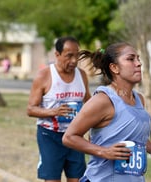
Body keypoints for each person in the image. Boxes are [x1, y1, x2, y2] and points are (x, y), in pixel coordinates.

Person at [62, 42, 151, 182]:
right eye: (131, 59)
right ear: (114, 67)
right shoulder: (103, 100)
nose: (138, 63)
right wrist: (104, 152)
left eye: (138, 59)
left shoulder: (139, 99)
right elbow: (69, 137)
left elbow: (133, 137)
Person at [27, 36, 91, 182]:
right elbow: (30, 109)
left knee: (77, 179)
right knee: (52, 180)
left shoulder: (81, 75)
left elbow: (88, 102)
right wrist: (54, 112)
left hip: (75, 135)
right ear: (57, 54)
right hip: (50, 136)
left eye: (77, 56)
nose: (74, 61)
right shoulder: (44, 76)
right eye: (69, 56)